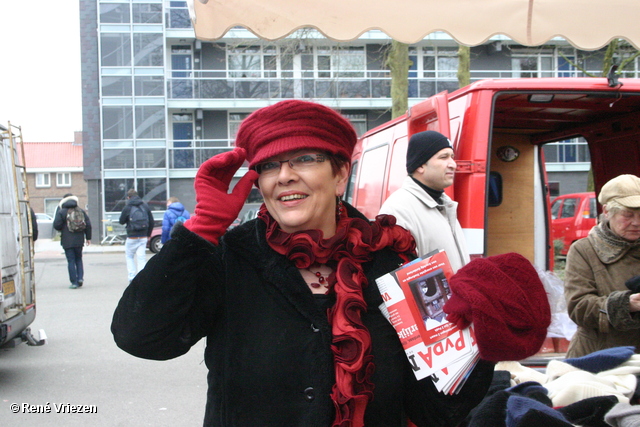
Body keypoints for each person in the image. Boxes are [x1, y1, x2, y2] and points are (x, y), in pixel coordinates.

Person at [111, 100, 506, 427]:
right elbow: (142, 337)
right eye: (268, 165)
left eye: (303, 158)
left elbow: (438, 407)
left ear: (340, 174)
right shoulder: (229, 257)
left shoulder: (398, 260)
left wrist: (486, 330)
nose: (283, 176)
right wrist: (200, 231)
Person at [564, 174, 640, 358]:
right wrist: (625, 304)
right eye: (627, 215)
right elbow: (578, 308)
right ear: (606, 211)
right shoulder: (584, 250)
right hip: (599, 359)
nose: (637, 222)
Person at [379, 130, 470, 272]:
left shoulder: (445, 205)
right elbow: (400, 279)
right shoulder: (397, 210)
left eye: (452, 157)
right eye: (443, 157)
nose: (453, 164)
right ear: (420, 165)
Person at [53, 193, 91, 289]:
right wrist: (88, 238)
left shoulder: (62, 212)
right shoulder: (81, 211)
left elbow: (56, 225)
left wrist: (63, 228)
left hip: (67, 240)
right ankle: (80, 278)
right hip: (79, 240)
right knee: (78, 259)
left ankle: (74, 282)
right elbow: (88, 224)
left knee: (71, 261)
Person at [119, 189, 154, 283]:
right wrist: (148, 235)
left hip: (132, 236)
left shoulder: (128, 207)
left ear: (128, 197)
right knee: (141, 257)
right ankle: (142, 277)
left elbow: (121, 221)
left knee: (129, 256)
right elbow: (151, 221)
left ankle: (131, 276)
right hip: (143, 236)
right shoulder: (145, 206)